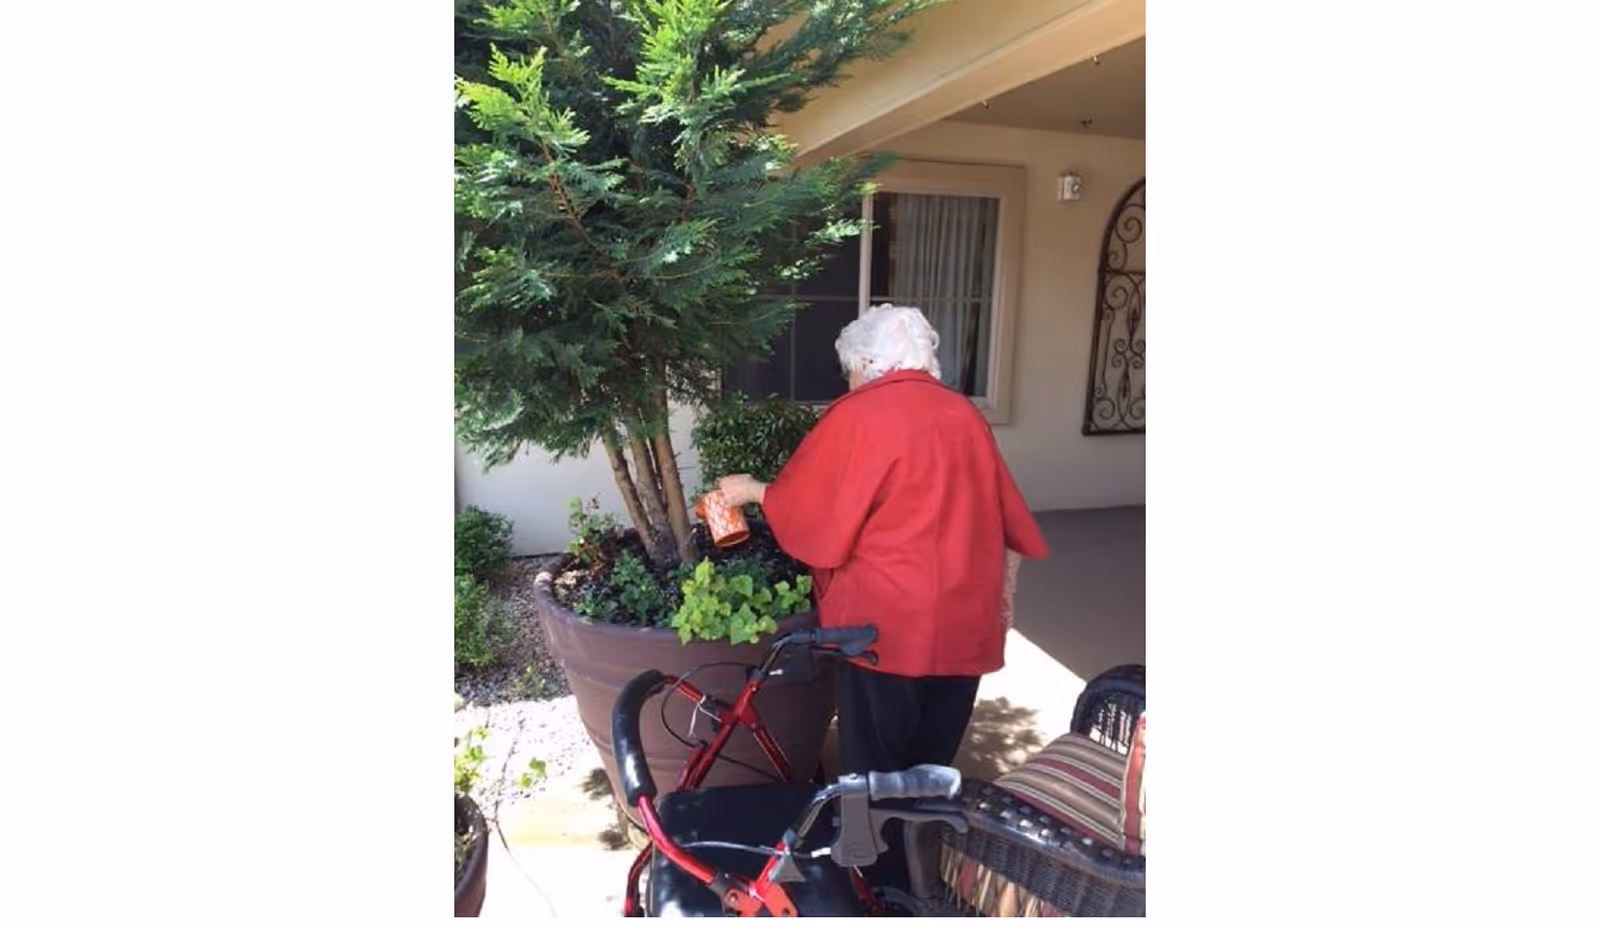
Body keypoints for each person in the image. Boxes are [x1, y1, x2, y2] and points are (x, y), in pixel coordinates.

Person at [717, 303, 1049, 892]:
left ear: (870, 363)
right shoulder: (964, 414)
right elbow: (1008, 523)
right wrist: (1007, 600)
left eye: (850, 370)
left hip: (885, 629)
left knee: (873, 765)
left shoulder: (862, 413)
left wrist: (753, 490)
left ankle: (872, 880)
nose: (847, 382)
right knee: (931, 758)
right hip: (964, 622)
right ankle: (923, 870)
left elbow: (812, 513)